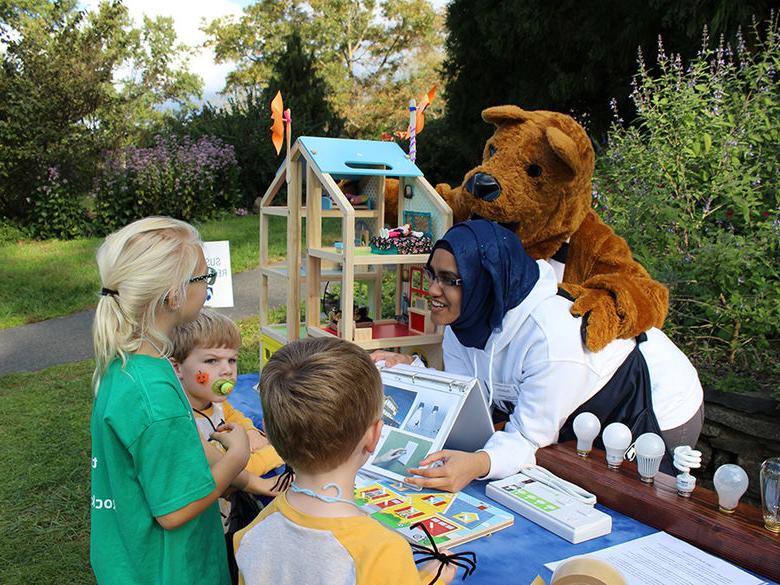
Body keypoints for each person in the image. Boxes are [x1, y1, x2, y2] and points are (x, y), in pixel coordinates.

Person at [372, 219, 703, 493]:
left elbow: (530, 439)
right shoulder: (467, 318)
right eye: (432, 274)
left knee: (638, 495)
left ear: (486, 282)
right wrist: (415, 372)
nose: (431, 290)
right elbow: (468, 396)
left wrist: (477, 465)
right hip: (577, 404)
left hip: (651, 397)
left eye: (449, 280)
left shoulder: (549, 338)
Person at [90, 217, 249, 585]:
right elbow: (175, 511)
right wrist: (238, 456)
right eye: (203, 279)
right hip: (170, 570)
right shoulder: (154, 397)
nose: (207, 288)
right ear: (174, 294)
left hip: (131, 559)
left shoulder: (127, 364)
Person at [233, 337, 455, 585]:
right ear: (374, 435)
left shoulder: (253, 532)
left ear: (270, 434)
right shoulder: (382, 551)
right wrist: (432, 579)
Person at [170, 308, 285, 488]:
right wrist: (277, 453)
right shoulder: (183, 421)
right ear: (177, 368)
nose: (227, 370)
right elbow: (237, 469)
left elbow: (233, 415)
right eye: (212, 361)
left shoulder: (214, 402)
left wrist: (250, 431)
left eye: (231, 360)